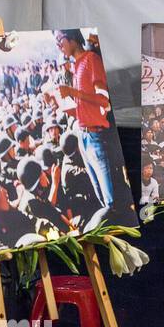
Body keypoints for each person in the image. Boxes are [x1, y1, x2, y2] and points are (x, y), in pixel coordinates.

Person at [51, 29, 117, 213]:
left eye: (60, 40)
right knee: (99, 194)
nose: (58, 45)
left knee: (109, 201)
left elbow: (104, 101)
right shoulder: (76, 66)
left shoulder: (91, 60)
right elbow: (85, 108)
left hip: (95, 136)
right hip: (83, 135)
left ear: (72, 39)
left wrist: (72, 92)